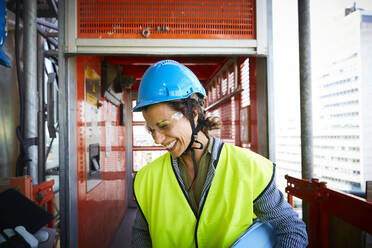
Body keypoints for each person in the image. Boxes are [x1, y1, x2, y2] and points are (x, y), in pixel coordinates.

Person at [131, 60, 308, 247]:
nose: (157, 139)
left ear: (194, 112)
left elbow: (290, 229)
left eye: (164, 125)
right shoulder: (147, 179)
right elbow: (142, 236)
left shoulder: (247, 167)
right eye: (151, 130)